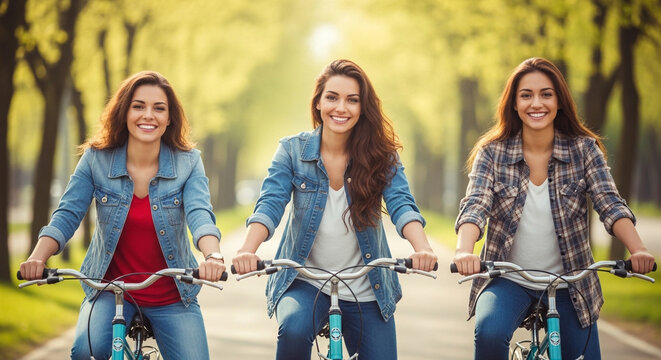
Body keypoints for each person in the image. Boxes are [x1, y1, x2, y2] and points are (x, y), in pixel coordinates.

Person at [232, 59, 437, 360]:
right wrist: (247, 250)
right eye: (332, 97)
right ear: (317, 103)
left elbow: (401, 204)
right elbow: (270, 203)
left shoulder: (382, 156)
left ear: (362, 108)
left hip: (367, 286)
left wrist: (423, 248)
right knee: (292, 330)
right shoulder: (292, 150)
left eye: (352, 100)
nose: (341, 108)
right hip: (304, 282)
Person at [452, 57, 656, 360]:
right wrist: (463, 251)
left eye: (546, 94)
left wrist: (637, 250)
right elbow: (475, 206)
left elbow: (609, 203)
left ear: (559, 101)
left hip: (571, 283)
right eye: (526, 95)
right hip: (509, 280)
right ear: (514, 104)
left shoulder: (584, 150)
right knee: (490, 333)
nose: (537, 103)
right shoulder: (491, 153)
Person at [19, 71, 226, 360]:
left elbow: (200, 215)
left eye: (159, 108)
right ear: (125, 111)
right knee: (86, 352)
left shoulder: (188, 162)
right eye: (138, 106)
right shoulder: (96, 159)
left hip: (172, 296)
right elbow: (67, 214)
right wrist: (38, 258)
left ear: (169, 118)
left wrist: (213, 257)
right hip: (109, 290)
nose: (148, 115)